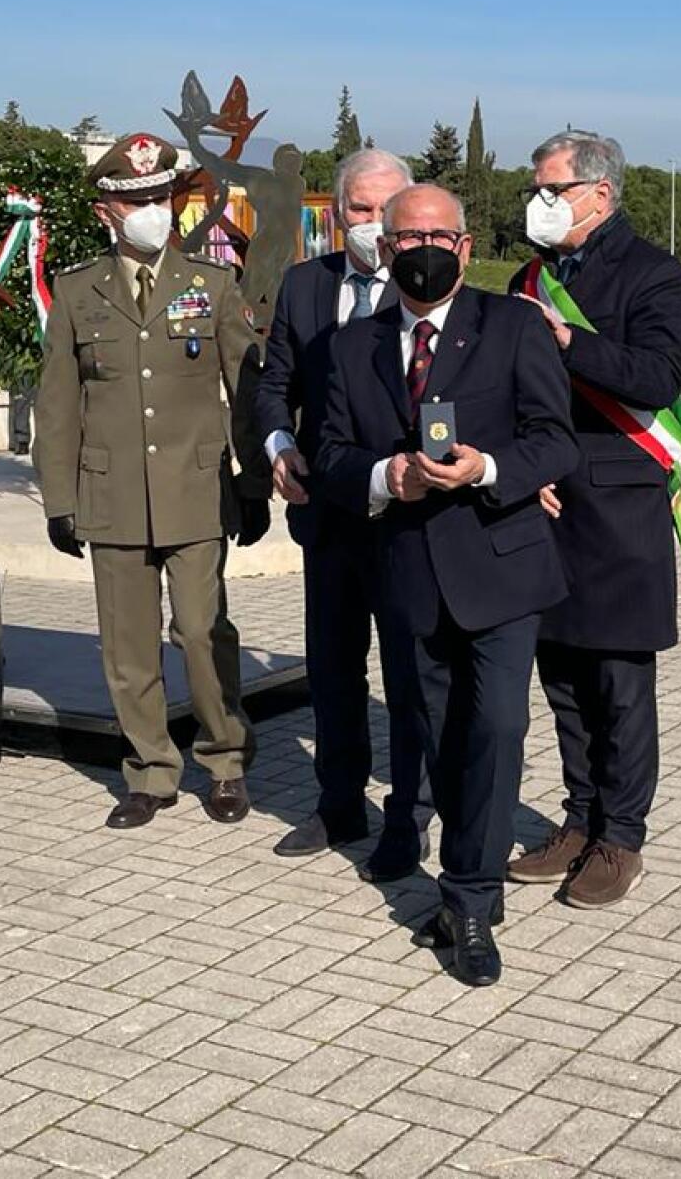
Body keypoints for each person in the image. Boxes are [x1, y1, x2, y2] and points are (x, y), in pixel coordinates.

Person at [317, 184, 578, 986]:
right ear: (382, 249)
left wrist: (488, 468)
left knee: (495, 730)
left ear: (465, 247)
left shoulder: (513, 326)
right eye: (406, 236)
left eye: (439, 235)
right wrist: (387, 474)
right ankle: (468, 874)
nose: (422, 248)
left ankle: (468, 896)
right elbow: (329, 455)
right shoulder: (348, 346)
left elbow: (554, 442)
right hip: (407, 574)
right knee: (434, 738)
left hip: (501, 567)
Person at [33, 132, 271, 830]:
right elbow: (58, 403)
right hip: (111, 495)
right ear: (107, 209)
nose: (153, 211)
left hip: (198, 491)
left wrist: (253, 485)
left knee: (199, 631)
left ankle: (225, 760)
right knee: (127, 644)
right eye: (136, 199)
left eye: (161, 197)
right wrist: (59, 499)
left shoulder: (212, 283)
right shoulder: (79, 291)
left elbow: (246, 389)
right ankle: (149, 771)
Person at [507, 131, 681, 908]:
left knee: (619, 684)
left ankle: (622, 837)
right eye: (537, 188)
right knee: (563, 682)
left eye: (552, 190)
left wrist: (567, 341)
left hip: (618, 506)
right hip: (548, 505)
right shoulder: (529, 275)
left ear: (599, 195)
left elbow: (654, 378)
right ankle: (578, 821)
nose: (538, 203)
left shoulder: (653, 272)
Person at [256, 147, 430, 881]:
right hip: (326, 513)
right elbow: (272, 383)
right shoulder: (303, 286)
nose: (374, 224)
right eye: (361, 209)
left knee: (410, 670)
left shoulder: (427, 291)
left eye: (387, 211)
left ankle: (411, 813)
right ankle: (339, 801)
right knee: (333, 667)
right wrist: (277, 443)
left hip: (407, 518)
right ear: (336, 213)